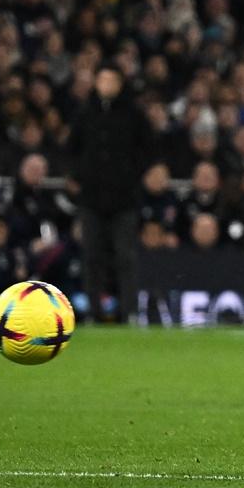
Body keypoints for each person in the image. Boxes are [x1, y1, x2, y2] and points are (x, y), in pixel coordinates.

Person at [65, 62, 153, 323]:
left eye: (112, 80)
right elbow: (71, 149)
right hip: (91, 197)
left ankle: (129, 311)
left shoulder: (133, 115)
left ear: (120, 84)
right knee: (92, 255)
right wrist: (76, 176)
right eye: (102, 80)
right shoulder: (84, 113)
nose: (107, 85)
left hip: (124, 197)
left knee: (125, 256)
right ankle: (94, 310)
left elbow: (147, 149)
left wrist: (134, 176)